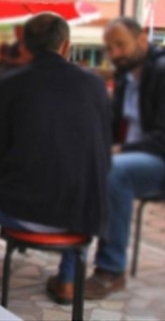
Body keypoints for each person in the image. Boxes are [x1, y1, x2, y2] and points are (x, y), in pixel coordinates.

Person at [0, 12, 112, 304]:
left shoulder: (10, 84)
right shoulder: (94, 85)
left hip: (22, 211)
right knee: (79, 186)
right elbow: (102, 152)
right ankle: (67, 280)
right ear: (66, 46)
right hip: (83, 214)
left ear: (24, 46)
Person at [84, 17, 165, 300]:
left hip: (158, 159)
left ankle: (111, 268)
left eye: (121, 45)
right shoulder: (125, 75)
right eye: (110, 47)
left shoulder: (161, 71)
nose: (114, 53)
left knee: (114, 170)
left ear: (142, 39)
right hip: (135, 155)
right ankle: (69, 257)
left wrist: (117, 151)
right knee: (85, 159)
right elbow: (111, 127)